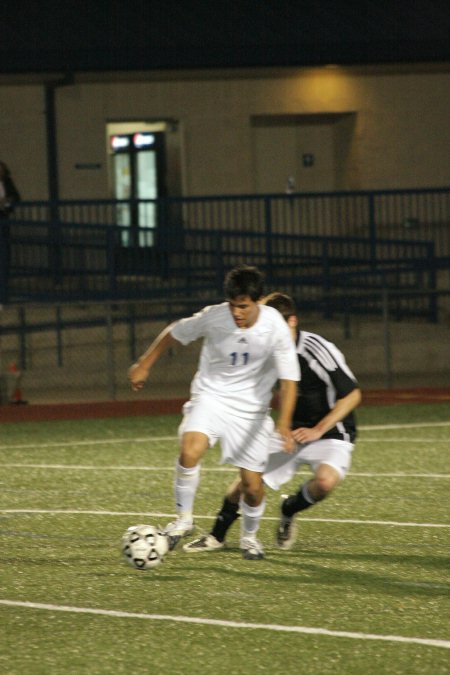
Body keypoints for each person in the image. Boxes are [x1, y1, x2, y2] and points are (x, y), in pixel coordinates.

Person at [128, 265, 300, 560]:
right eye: (233, 305)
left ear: (258, 302)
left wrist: (283, 424)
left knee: (252, 486)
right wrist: (144, 363)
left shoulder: (275, 327)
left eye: (243, 306)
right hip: (212, 397)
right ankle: (183, 520)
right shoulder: (214, 316)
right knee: (190, 450)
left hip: (252, 412)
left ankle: (249, 537)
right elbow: (174, 332)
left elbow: (289, 381)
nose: (237, 313)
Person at [183, 291, 361, 553]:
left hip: (331, 430)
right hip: (287, 429)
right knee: (248, 481)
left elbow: (353, 394)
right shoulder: (262, 348)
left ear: (291, 322)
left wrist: (317, 430)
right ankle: (216, 536)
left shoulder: (316, 349)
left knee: (324, 483)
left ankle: (289, 509)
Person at [0, 161, 20, 304]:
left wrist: (8, 200)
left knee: (5, 250)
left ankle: (5, 282)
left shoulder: (8, 182)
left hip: (4, 219)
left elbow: (16, 196)